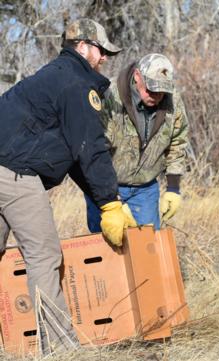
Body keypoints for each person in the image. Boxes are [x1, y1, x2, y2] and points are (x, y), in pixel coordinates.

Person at [0, 18, 136, 354]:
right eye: (101, 50)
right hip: (14, 174)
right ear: (83, 45)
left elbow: (74, 156)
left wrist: (107, 200)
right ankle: (62, 353)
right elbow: (90, 147)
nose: (105, 57)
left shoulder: (53, 75)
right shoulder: (77, 85)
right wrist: (110, 203)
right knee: (44, 256)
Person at [84, 53, 189, 232]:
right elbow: (93, 148)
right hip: (105, 187)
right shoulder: (108, 95)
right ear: (137, 76)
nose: (156, 96)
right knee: (107, 246)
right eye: (151, 89)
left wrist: (173, 187)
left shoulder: (173, 101)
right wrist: (110, 198)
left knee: (147, 248)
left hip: (145, 190)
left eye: (161, 91)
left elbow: (177, 142)